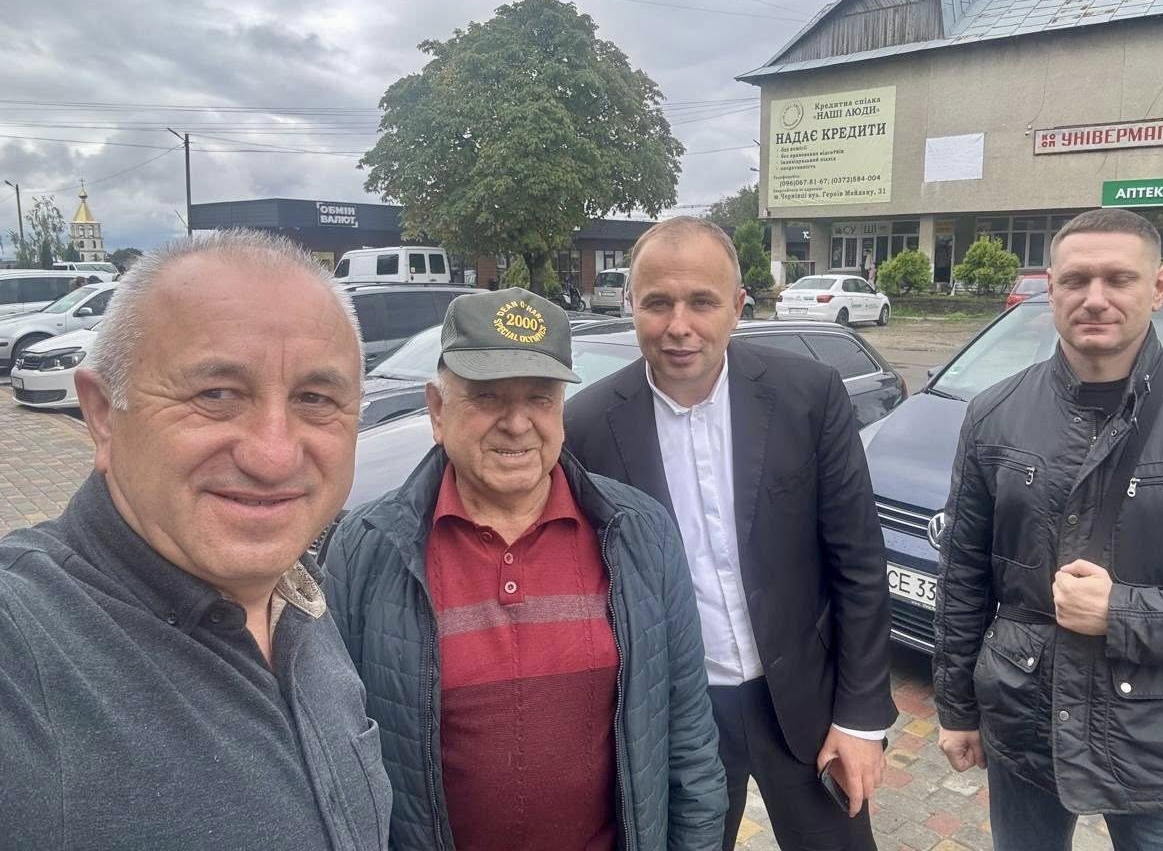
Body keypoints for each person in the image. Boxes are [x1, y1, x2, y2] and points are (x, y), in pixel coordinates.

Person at [0, 231, 390, 850]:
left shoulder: (300, 596)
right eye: (216, 395)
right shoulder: (23, 645)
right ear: (101, 415)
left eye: (315, 399)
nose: (273, 456)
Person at [323, 287, 727, 851]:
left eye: (539, 397)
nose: (517, 424)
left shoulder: (640, 533)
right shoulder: (367, 549)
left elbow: (689, 742)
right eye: (487, 397)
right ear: (437, 410)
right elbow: (334, 761)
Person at [933, 208, 1163, 851]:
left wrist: (1123, 612)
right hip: (1025, 721)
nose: (1095, 298)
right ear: (1051, 289)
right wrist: (956, 708)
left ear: (1159, 286)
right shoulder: (994, 414)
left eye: (1119, 279)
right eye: (1076, 280)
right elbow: (963, 577)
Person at [565, 217, 898, 851]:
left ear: (739, 306)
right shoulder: (586, 427)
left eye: (702, 301)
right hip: (680, 718)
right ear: (631, 305)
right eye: (657, 303)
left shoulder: (808, 395)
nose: (679, 325)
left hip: (806, 701)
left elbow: (858, 562)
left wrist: (861, 718)